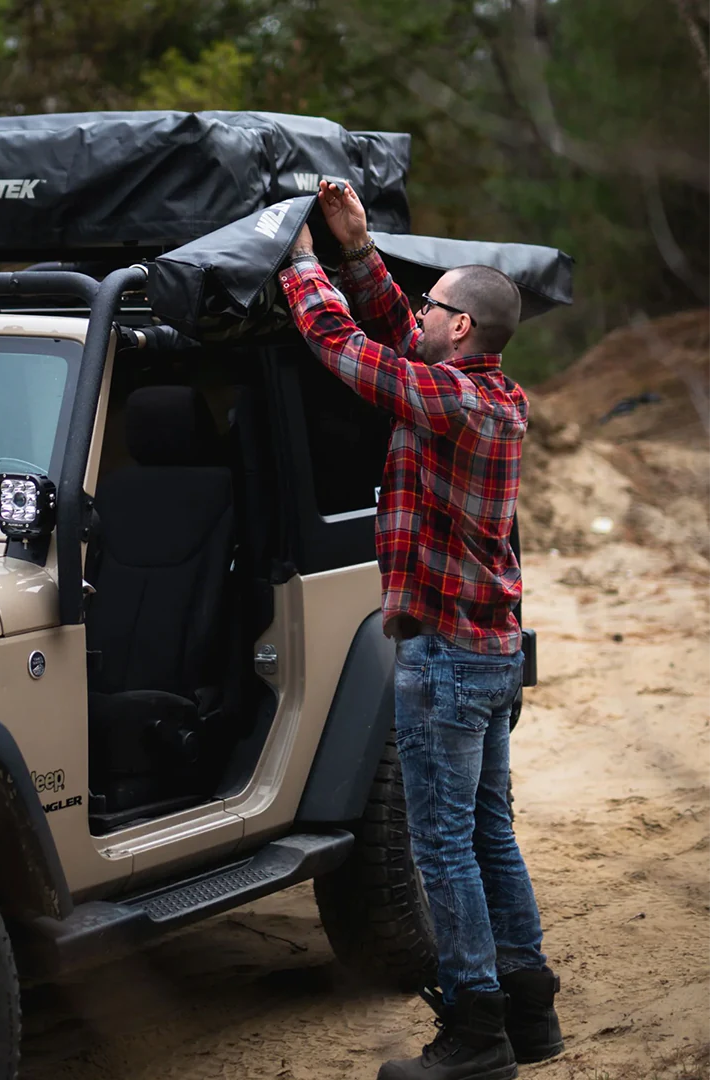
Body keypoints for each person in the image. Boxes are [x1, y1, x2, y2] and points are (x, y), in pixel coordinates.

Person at [278, 181, 563, 1080]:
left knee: (442, 846)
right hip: (484, 654)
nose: (423, 313)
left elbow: (346, 349)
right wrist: (357, 251)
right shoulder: (482, 394)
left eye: (436, 306)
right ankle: (529, 1008)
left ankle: (475, 1033)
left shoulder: (454, 404)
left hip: (446, 658)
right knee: (488, 834)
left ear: (463, 332)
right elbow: (398, 333)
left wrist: (294, 265)